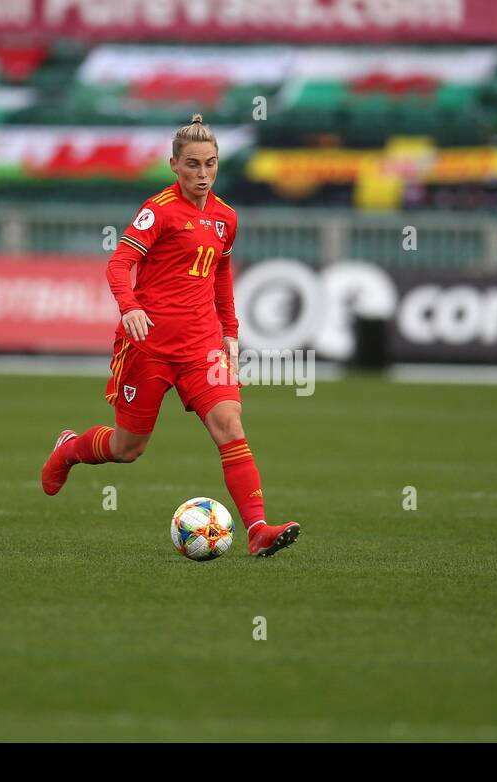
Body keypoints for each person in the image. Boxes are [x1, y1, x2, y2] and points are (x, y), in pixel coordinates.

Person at [41, 114, 300, 558]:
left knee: (230, 427)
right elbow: (118, 264)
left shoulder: (226, 218)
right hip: (150, 347)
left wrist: (231, 333)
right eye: (193, 165)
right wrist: (132, 307)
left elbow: (221, 276)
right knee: (127, 449)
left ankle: (257, 529)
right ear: (174, 166)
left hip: (202, 347)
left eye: (211, 164)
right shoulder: (158, 210)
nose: (203, 174)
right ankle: (68, 450)